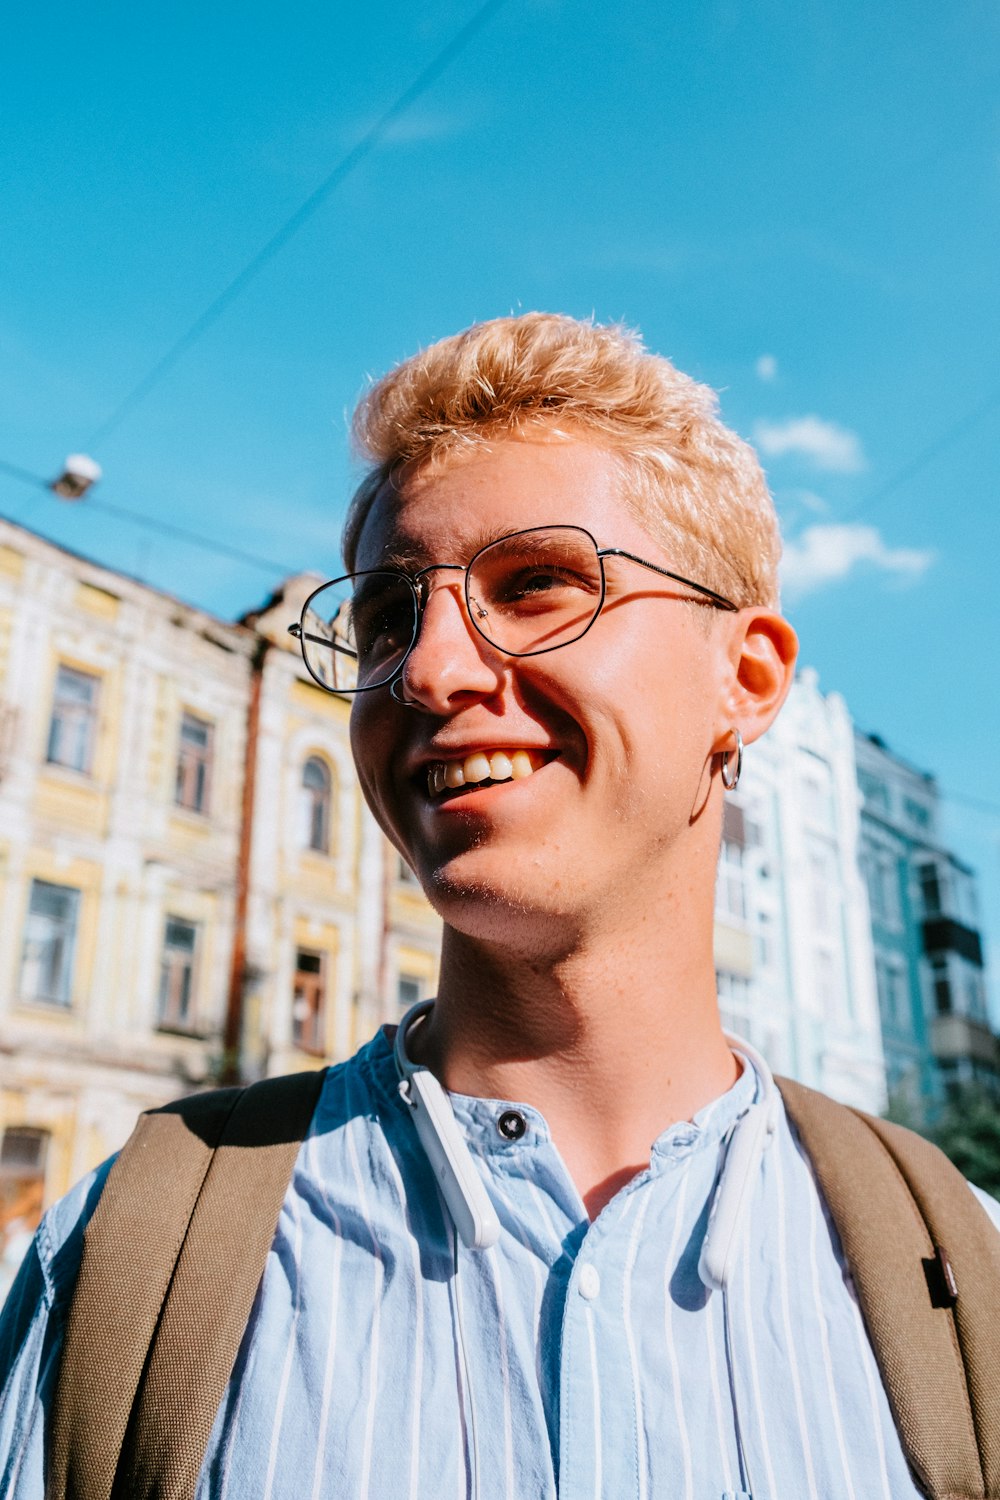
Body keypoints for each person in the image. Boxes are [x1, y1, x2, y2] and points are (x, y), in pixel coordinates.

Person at [1, 312, 998, 1498]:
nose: (426, 670)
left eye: (535, 586)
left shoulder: (962, 1276)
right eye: (384, 619)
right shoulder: (131, 1258)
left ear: (744, 678)